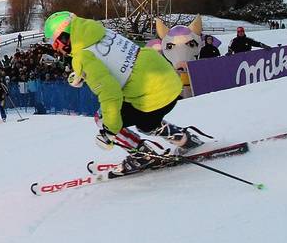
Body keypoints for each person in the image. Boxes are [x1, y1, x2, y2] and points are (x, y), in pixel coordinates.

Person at [44, 11, 203, 175]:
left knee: (103, 118)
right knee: (147, 124)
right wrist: (81, 73)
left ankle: (141, 156)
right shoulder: (98, 31)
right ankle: (185, 139)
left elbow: (110, 94)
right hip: (168, 80)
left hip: (149, 93)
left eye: (55, 44)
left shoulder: (83, 57)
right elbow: (113, 59)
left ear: (65, 36)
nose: (57, 50)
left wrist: (109, 131)